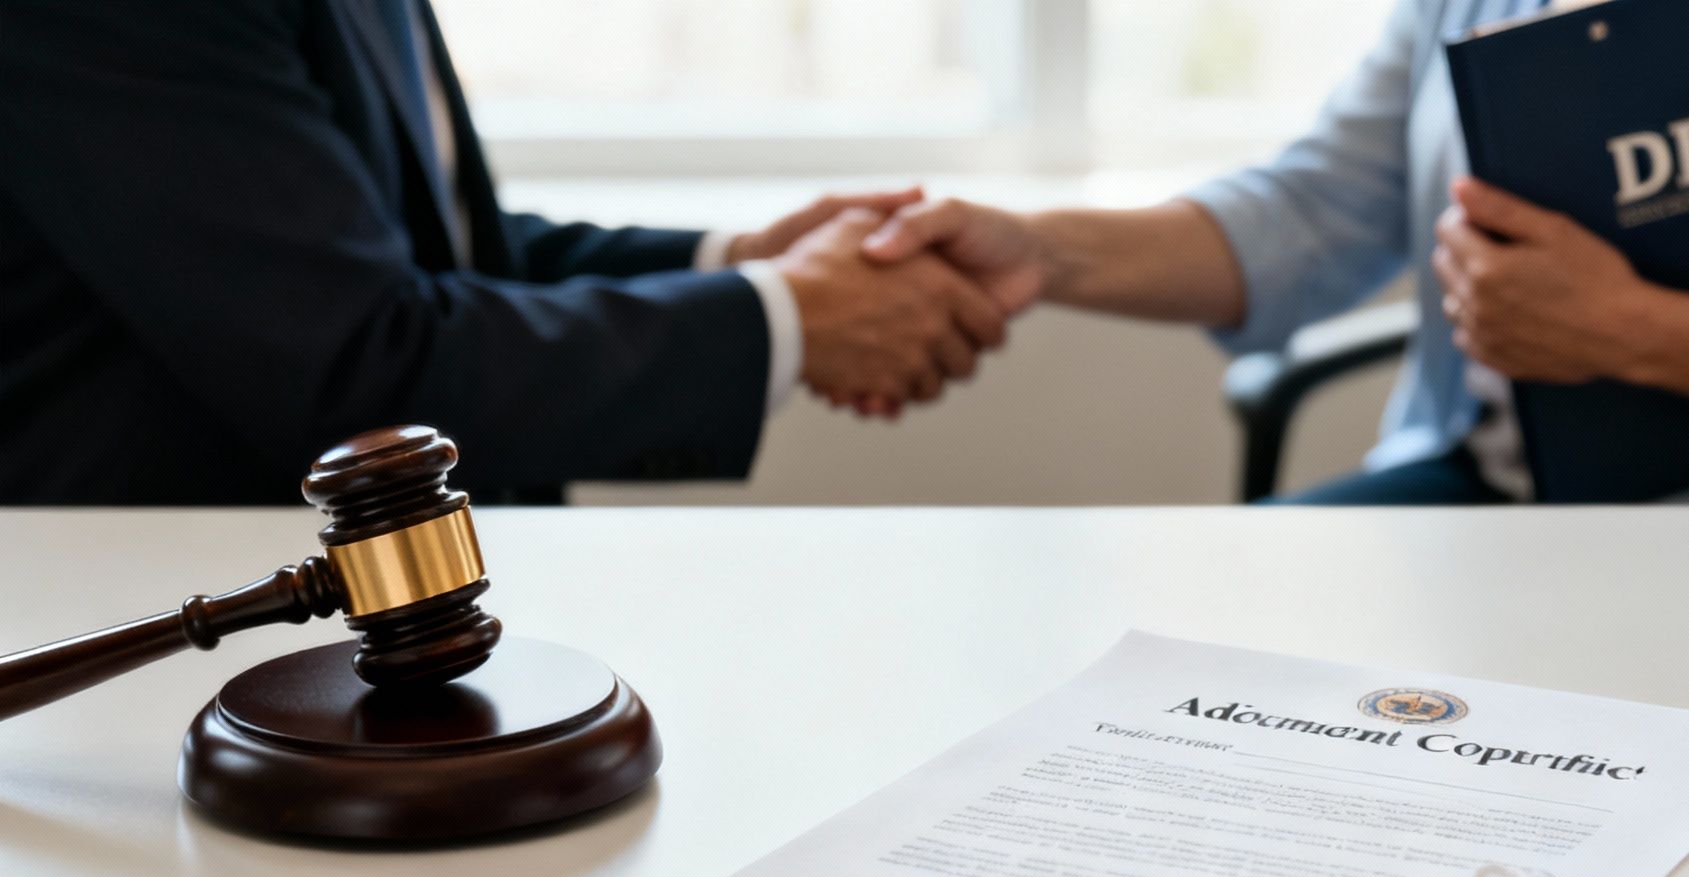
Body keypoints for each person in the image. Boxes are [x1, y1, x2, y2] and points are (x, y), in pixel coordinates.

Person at [861, 0, 1689, 504]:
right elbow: (1315, 210)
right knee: (1168, 689)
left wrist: (1628, 333)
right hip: (1471, 503)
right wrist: (1039, 252)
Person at [0, 0, 1003, 504]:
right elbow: (363, 371)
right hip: (168, 656)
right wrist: (784, 314)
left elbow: (417, 254)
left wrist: (729, 260)